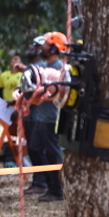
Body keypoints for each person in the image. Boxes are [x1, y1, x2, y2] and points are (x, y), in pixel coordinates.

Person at [26, 32, 67, 201]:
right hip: (40, 118)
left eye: (46, 45)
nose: (42, 48)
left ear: (54, 49)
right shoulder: (42, 66)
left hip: (51, 119)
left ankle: (57, 190)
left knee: (53, 153)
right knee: (35, 148)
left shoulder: (60, 68)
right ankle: (45, 184)